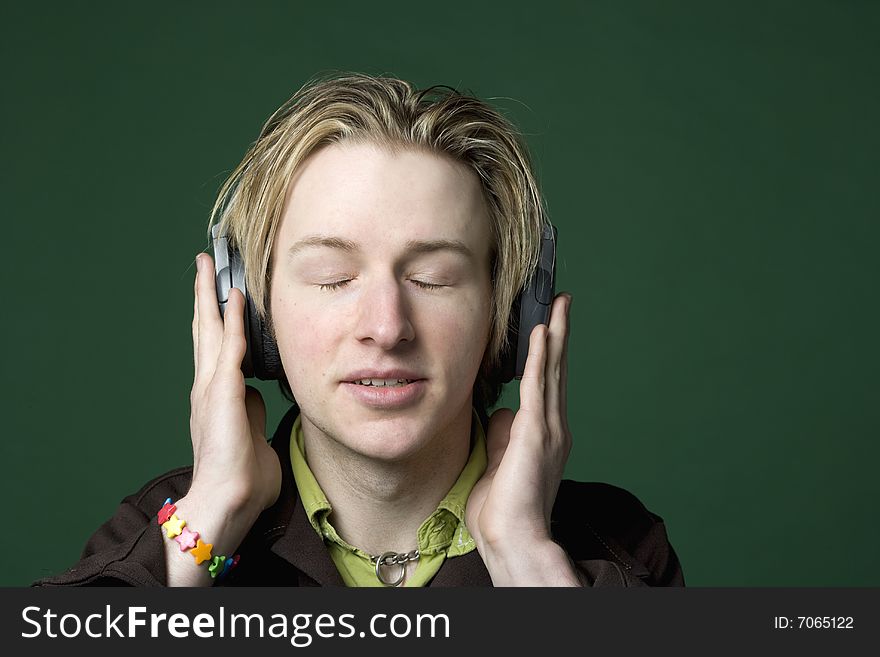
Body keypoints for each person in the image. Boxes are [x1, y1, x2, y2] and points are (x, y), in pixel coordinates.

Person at [36, 73, 684, 587]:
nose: (386, 326)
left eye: (432, 277)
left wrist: (524, 557)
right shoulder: (165, 532)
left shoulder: (621, 552)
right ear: (252, 315)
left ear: (511, 314)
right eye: (331, 275)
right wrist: (212, 519)